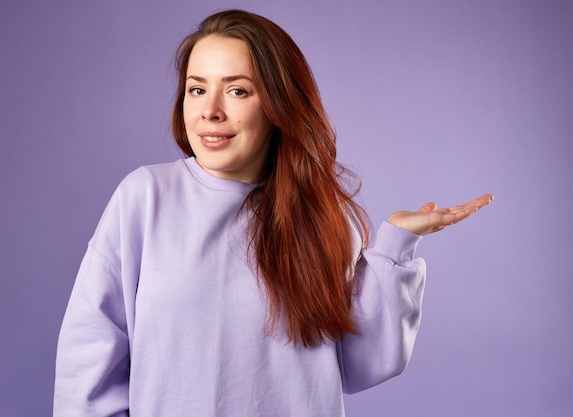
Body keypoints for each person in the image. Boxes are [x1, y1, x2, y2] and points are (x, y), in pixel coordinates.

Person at [53, 9, 493, 417]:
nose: (210, 111)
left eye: (238, 90)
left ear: (278, 104)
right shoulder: (145, 198)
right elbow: (87, 356)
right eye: (197, 89)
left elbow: (364, 364)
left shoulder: (324, 216)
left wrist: (396, 241)